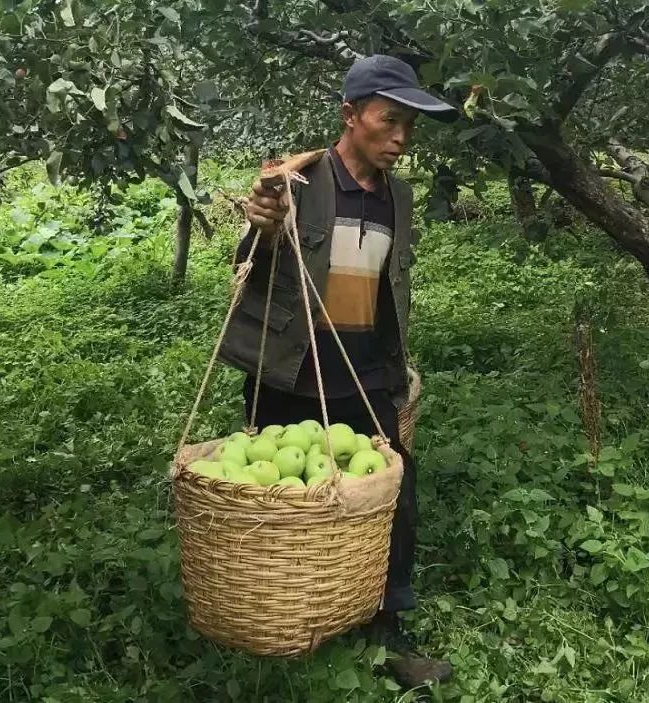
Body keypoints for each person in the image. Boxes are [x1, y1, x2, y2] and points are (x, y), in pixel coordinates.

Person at [219, 54, 457, 689]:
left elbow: (389, 291)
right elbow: (257, 250)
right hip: (291, 371)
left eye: (410, 125)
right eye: (390, 121)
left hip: (366, 375)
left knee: (391, 497)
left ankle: (387, 628)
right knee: (283, 502)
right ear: (351, 116)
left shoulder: (398, 198)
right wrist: (262, 222)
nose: (401, 138)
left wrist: (397, 368)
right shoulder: (297, 181)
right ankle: (286, 619)